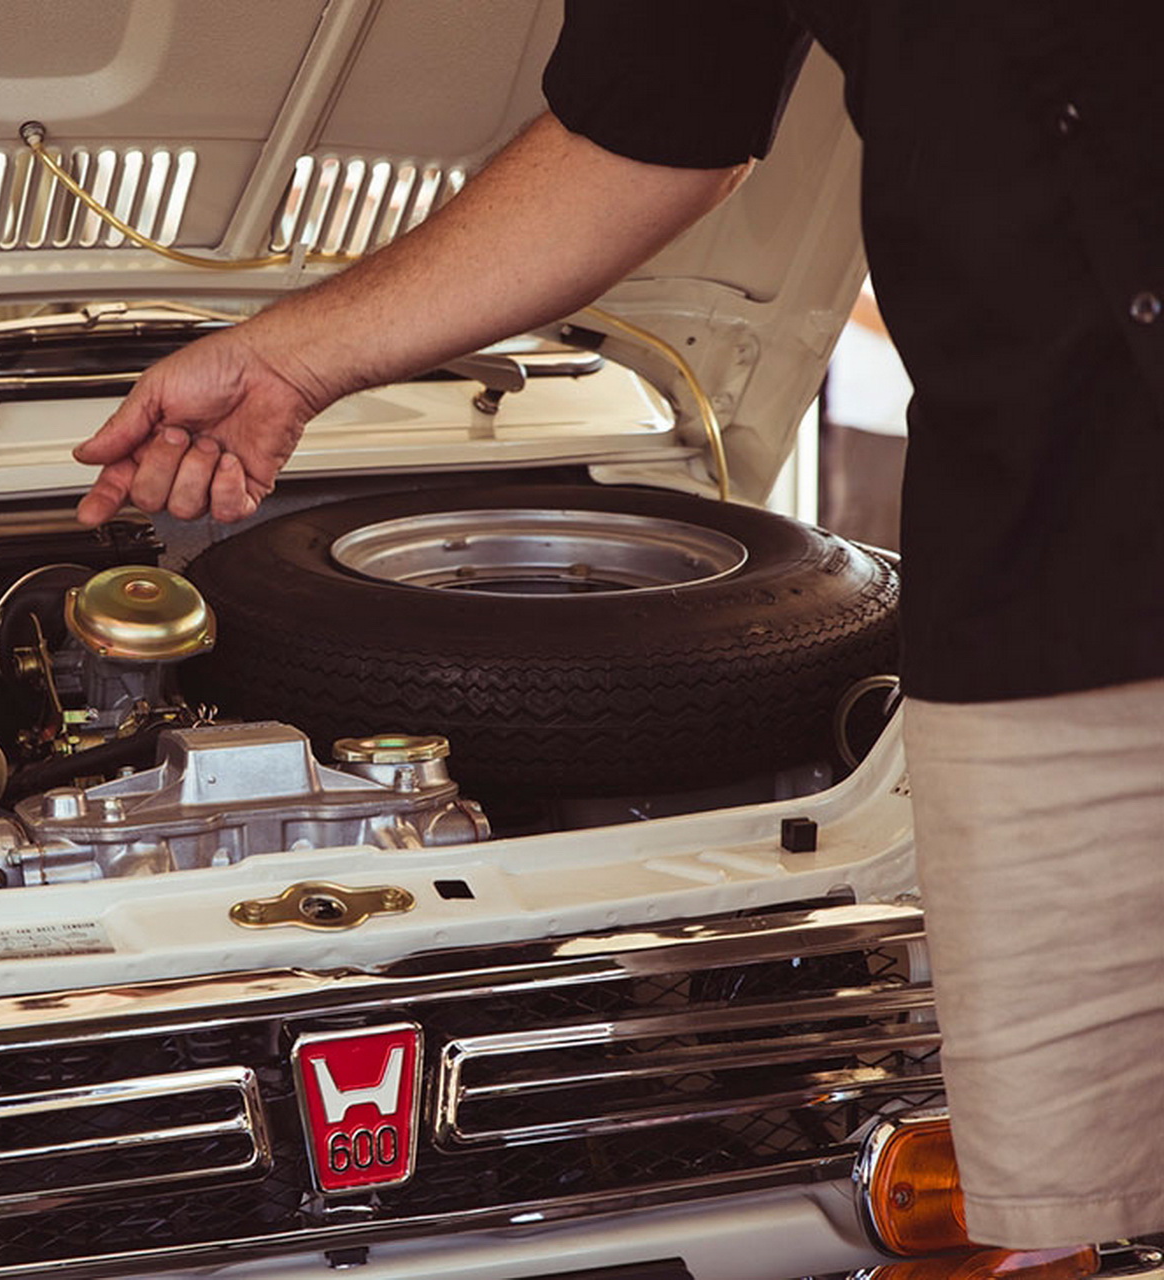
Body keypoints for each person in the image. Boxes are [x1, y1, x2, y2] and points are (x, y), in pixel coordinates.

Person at [73, 2, 1164, 1252]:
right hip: (1058, 579)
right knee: (1077, 1206)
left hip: (1052, 569)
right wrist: (289, 365)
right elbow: (653, 121)